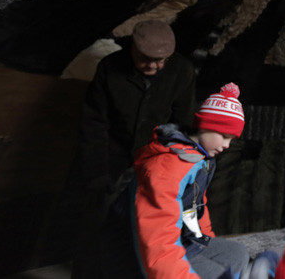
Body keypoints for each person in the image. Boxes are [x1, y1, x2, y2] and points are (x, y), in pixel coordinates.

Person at [73, 19, 197, 278]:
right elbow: (94, 123)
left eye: (160, 60)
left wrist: (167, 165)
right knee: (93, 215)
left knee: (148, 218)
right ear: (132, 49)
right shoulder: (109, 68)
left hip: (154, 152)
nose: (153, 65)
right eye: (145, 59)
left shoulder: (182, 71)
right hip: (111, 148)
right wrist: (97, 172)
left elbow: (182, 124)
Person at [132, 82, 251, 278]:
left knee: (236, 253)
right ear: (205, 126)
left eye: (232, 139)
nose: (227, 145)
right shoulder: (168, 168)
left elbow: (195, 205)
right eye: (224, 136)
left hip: (182, 237)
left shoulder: (200, 158)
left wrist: (205, 240)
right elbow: (157, 240)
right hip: (141, 247)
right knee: (215, 274)